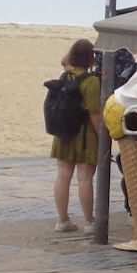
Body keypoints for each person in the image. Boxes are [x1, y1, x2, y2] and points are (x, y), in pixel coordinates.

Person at [46, 38, 103, 232]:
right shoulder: (91, 82)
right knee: (85, 179)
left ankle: (62, 220)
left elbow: (65, 62)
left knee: (63, 176)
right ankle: (90, 221)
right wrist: (103, 136)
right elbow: (94, 113)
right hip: (84, 136)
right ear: (90, 58)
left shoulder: (64, 77)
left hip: (63, 134)